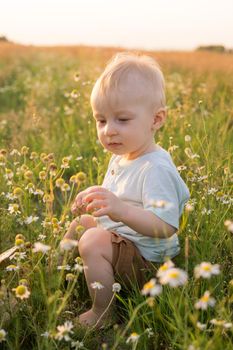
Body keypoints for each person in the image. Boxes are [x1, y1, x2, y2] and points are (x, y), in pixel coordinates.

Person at [61, 52, 190, 327]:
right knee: (81, 224)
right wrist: (96, 195)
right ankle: (55, 273)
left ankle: (103, 312)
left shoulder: (155, 168)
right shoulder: (124, 155)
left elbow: (165, 226)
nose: (109, 130)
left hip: (149, 262)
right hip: (126, 241)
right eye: (101, 120)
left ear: (156, 120)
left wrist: (119, 210)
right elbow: (119, 196)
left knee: (93, 240)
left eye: (122, 119)